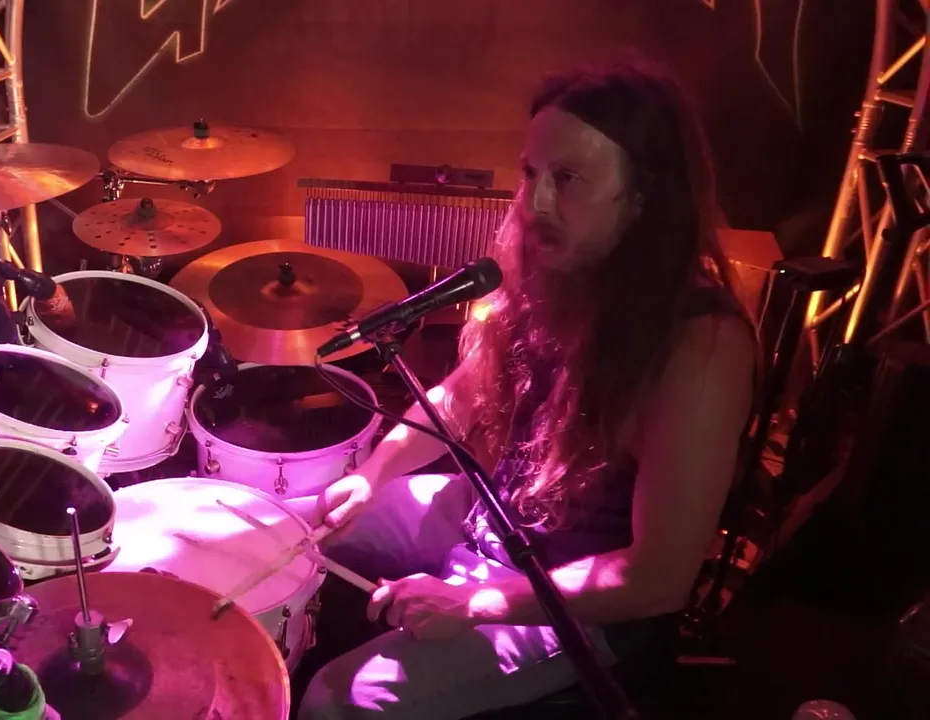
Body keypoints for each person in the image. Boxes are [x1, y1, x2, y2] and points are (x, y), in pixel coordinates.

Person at [297, 60, 759, 719]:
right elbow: (459, 398)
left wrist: (474, 603)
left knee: (334, 701)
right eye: (530, 173)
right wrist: (374, 473)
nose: (534, 203)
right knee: (298, 531)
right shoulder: (553, 270)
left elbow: (657, 577)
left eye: (566, 179)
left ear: (644, 198)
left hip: (575, 597)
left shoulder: (701, 347)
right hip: (491, 514)